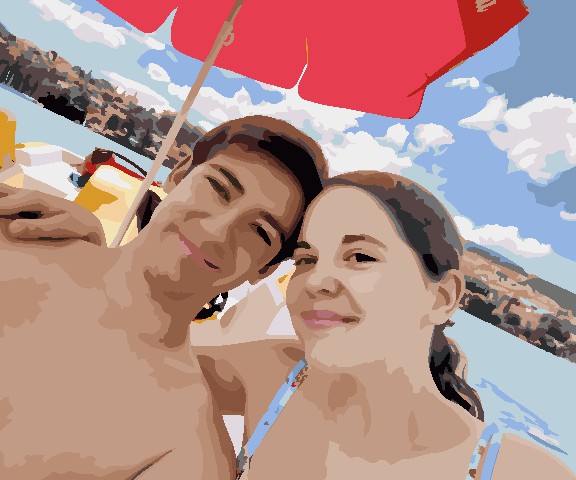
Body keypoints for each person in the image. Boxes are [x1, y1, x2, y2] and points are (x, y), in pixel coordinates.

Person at [0, 115, 326, 480]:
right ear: (179, 174)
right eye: (218, 188)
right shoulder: (21, 231)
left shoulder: (190, 448)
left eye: (259, 231)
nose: (218, 231)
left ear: (265, 269)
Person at [192, 171, 574, 479]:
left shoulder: (518, 471)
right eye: (307, 260)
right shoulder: (272, 377)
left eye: (360, 257)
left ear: (442, 297)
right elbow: (153, 354)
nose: (316, 280)